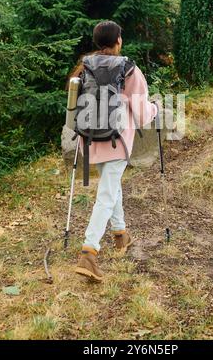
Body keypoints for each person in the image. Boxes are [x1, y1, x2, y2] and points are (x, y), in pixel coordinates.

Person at [68, 21, 157, 282]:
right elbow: (141, 115)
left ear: (98, 42)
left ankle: (120, 235)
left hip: (91, 141)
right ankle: (89, 251)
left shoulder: (85, 67)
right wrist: (155, 109)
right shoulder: (129, 69)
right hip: (117, 141)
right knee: (106, 195)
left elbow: (73, 109)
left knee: (111, 187)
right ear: (118, 40)